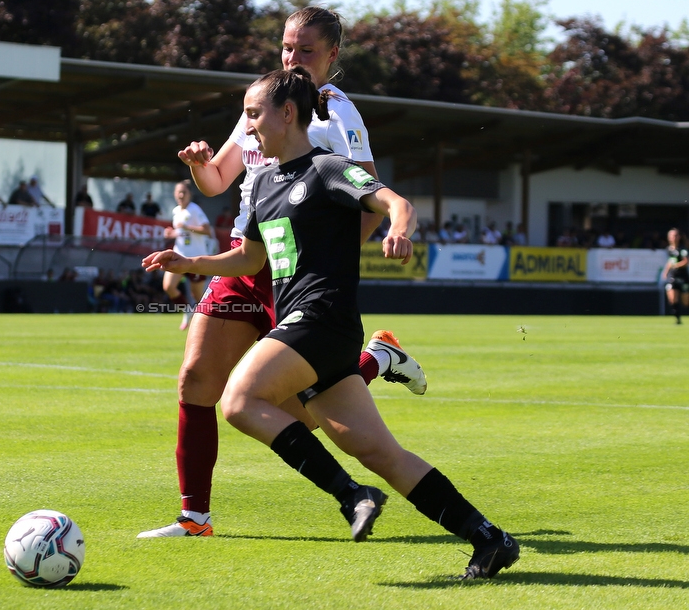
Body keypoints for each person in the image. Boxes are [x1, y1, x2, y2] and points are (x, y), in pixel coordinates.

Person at [143, 68, 519, 580]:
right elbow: (249, 262)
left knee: (237, 401)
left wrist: (400, 231)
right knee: (381, 452)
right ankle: (488, 537)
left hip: (319, 318)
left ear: (287, 114)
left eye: (254, 114)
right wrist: (189, 264)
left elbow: (395, 202)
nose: (248, 126)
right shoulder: (264, 186)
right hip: (319, 334)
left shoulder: (327, 168)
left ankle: (352, 496)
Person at [138, 7, 426, 543]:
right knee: (196, 378)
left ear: (333, 55)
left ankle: (375, 360)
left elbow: (369, 199)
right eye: (287, 48)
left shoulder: (339, 118)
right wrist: (200, 165)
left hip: (298, 276)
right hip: (244, 259)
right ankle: (194, 519)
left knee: (304, 412)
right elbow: (219, 178)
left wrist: (329, 261)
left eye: (306, 50)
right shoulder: (265, 100)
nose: (292, 58)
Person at [162, 180, 212, 331]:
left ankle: (208, 323)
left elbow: (207, 231)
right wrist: (171, 233)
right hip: (180, 255)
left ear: (190, 194)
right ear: (175, 194)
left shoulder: (194, 210)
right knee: (168, 286)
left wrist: (187, 227)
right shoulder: (176, 211)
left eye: (184, 192)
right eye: (179, 192)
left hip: (196, 259)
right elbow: (182, 233)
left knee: (198, 296)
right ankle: (187, 311)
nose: (181, 195)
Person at [663, 228, 689, 325]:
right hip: (673, 276)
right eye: (671, 235)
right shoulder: (669, 249)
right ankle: (677, 320)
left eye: (675, 235)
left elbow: (686, 262)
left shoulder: (682, 249)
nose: (673, 238)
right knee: (673, 298)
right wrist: (666, 272)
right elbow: (670, 261)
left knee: (686, 302)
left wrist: (676, 265)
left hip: (683, 277)